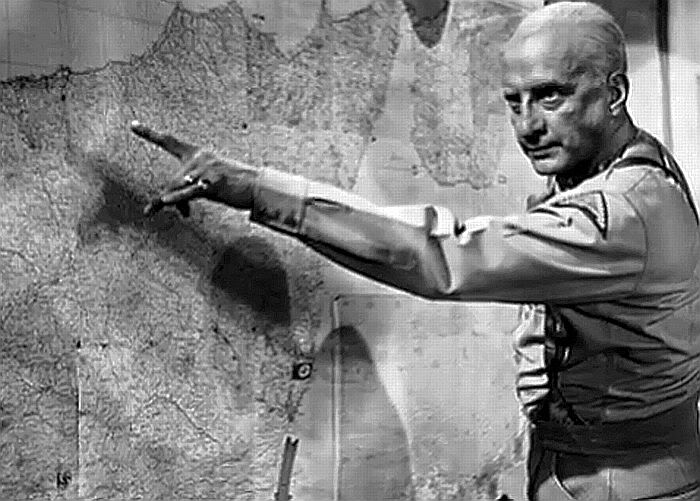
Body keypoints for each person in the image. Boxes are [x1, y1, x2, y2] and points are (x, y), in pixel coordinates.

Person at [130, 2, 700, 499]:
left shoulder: (622, 212)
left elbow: (441, 255)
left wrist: (257, 190)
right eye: (514, 101)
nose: (527, 126)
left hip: (619, 485)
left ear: (614, 93)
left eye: (551, 96)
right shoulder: (625, 166)